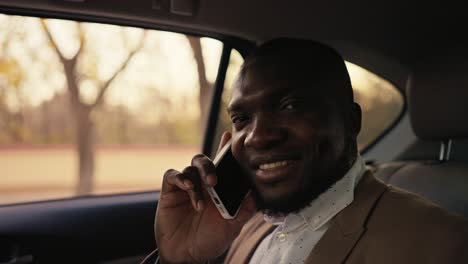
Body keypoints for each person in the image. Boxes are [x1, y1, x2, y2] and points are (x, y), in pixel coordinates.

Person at [142, 38, 468, 264]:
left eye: (290, 105)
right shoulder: (245, 225)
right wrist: (178, 259)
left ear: (350, 121)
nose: (257, 136)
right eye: (242, 118)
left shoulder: (442, 244)